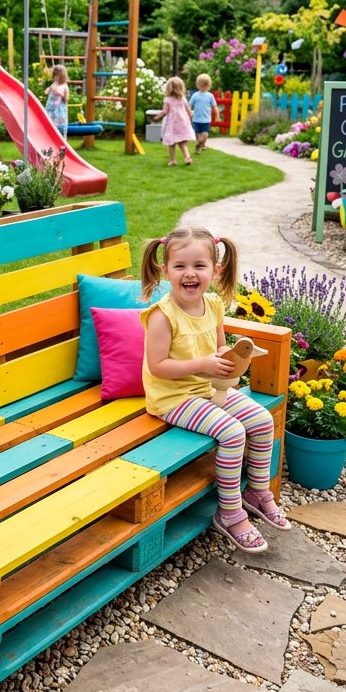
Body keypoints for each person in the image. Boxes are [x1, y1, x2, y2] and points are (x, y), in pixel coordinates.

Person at [139, 226, 289, 553]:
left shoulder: (214, 305)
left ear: (215, 270)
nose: (189, 274)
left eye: (199, 266)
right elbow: (157, 366)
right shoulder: (163, 317)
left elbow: (218, 347)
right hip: (173, 398)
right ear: (166, 270)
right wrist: (204, 365)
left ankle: (257, 491)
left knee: (262, 421)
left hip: (208, 389)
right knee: (233, 433)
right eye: (180, 266)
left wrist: (227, 358)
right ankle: (229, 511)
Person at [151, 76, 194, 165]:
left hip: (173, 125)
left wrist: (156, 118)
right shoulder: (183, 98)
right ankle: (187, 157)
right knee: (183, 143)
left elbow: (164, 111)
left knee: (172, 144)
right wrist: (190, 117)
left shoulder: (168, 100)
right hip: (183, 123)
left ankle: (173, 160)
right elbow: (188, 110)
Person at [188, 73, 220, 153]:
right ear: (197, 85)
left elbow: (214, 106)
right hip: (196, 119)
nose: (203, 87)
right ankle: (198, 147)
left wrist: (217, 116)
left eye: (205, 85)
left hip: (206, 120)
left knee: (205, 135)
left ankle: (199, 144)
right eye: (201, 85)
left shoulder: (210, 96)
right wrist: (189, 113)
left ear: (208, 86)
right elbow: (189, 105)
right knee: (198, 135)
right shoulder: (195, 95)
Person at [44, 64, 69, 140]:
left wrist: (60, 94)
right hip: (51, 110)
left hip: (60, 111)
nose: (56, 77)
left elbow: (66, 98)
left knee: (60, 128)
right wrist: (49, 90)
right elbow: (46, 92)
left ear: (62, 77)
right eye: (54, 75)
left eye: (58, 76)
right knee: (50, 125)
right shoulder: (53, 85)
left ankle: (61, 140)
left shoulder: (65, 86)